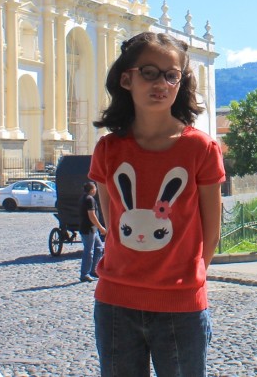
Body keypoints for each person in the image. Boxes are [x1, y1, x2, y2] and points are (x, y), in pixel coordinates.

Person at [89, 32, 225, 377]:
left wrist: (188, 279)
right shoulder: (108, 150)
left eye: (171, 74)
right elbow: (113, 219)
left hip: (180, 306)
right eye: (149, 72)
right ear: (126, 78)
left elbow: (212, 231)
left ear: (181, 82)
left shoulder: (202, 149)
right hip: (116, 303)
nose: (161, 82)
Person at [79, 182, 106, 282]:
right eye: (95, 188)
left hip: (91, 229)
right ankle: (84, 274)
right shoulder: (89, 199)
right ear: (92, 190)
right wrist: (101, 228)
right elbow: (92, 215)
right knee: (88, 251)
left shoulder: (83, 198)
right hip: (89, 229)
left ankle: (93, 270)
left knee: (99, 248)